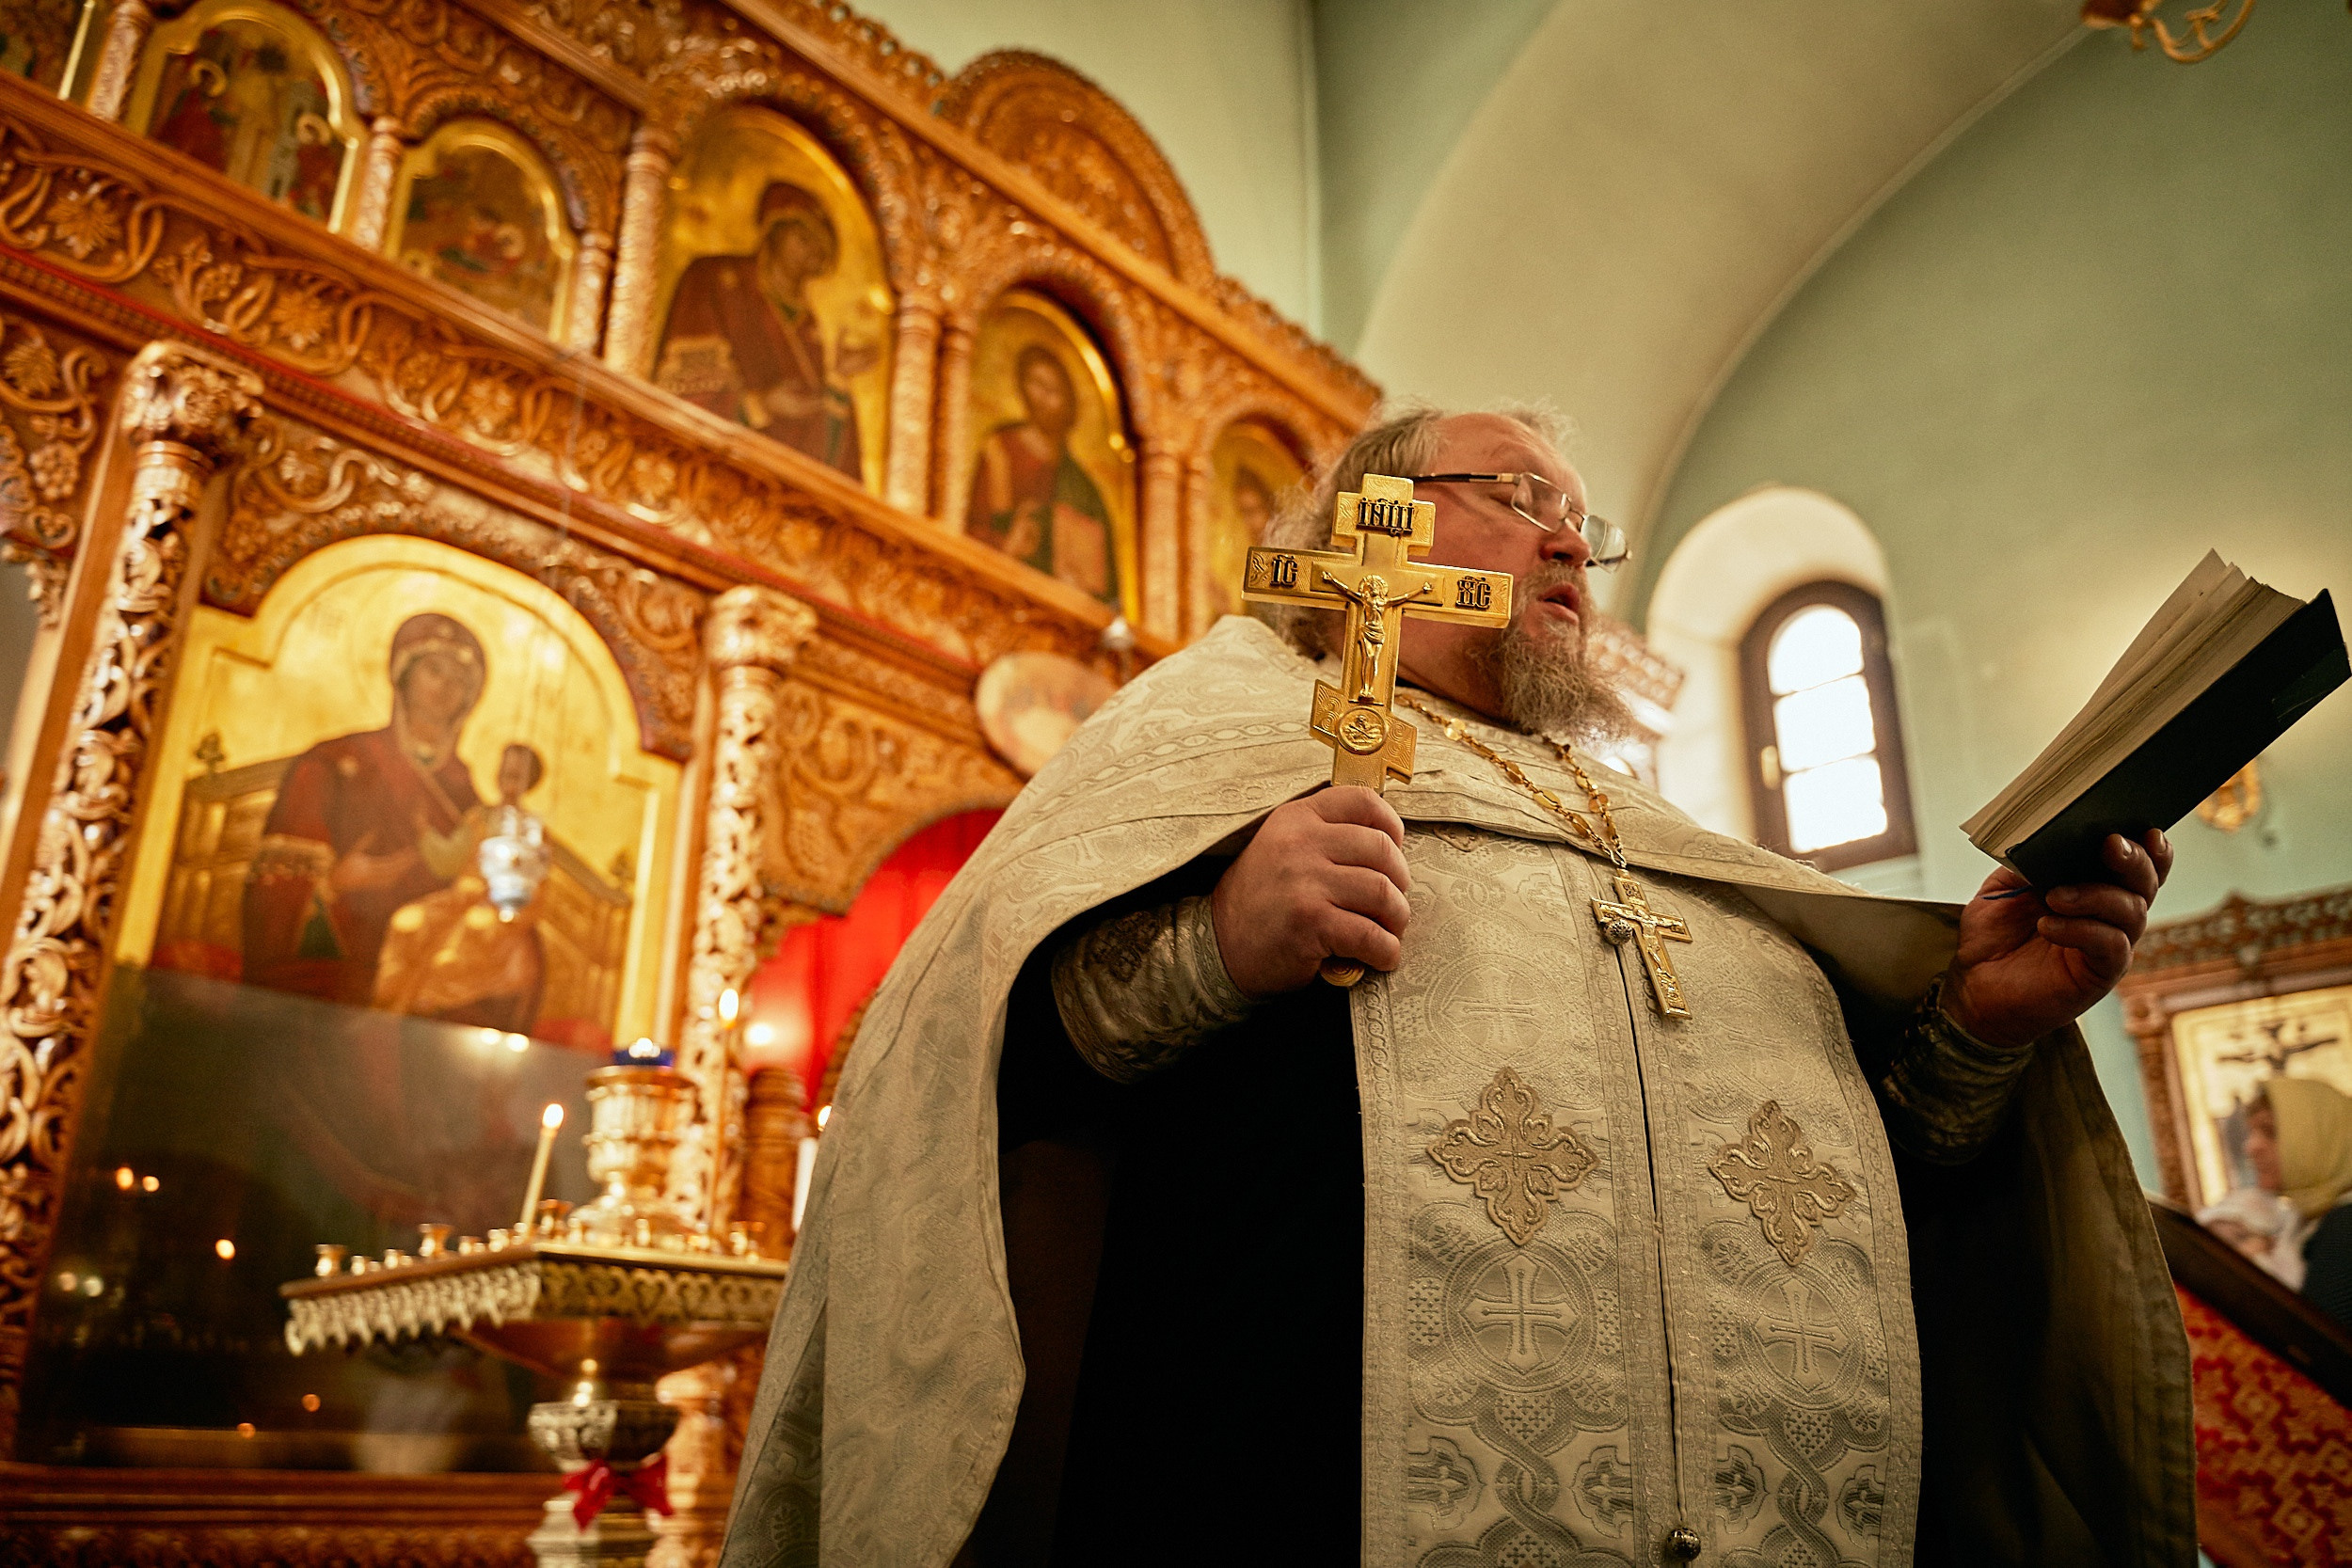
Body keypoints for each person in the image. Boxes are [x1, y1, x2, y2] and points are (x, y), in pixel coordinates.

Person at [723, 405, 2193, 1567]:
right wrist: (1218, 941)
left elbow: (1856, 1189)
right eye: (1519, 495)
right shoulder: (1208, 736)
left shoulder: (1664, 829)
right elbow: (979, 1069)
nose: (1571, 546)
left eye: (1583, 523)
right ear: (1369, 520)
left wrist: (1973, 1036)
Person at [242, 613, 489, 1010]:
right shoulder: (335, 762)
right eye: (435, 670)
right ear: (403, 675)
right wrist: (335, 884)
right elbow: (272, 894)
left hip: (425, 962)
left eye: (460, 680)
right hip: (339, 946)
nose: (446, 688)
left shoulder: (465, 795)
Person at [654, 181, 871, 480]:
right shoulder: (716, 281)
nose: (811, 257)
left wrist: (838, 381)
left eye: (820, 254)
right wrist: (761, 405)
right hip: (711, 475)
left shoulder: (809, 331)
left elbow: (827, 462)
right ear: (774, 229)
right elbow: (682, 389)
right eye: (804, 240)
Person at [372, 741, 549, 1034]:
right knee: (407, 922)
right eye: (505, 772)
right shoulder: (479, 818)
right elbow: (448, 861)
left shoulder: (533, 830)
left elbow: (534, 884)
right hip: (458, 899)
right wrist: (422, 831)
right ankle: (387, 1003)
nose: (508, 780)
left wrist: (500, 897)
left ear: (528, 782)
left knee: (460, 944)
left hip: (498, 907)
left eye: (517, 775)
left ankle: (425, 1011)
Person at [965, 344, 1119, 604]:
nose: (1044, 398)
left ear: (1068, 402)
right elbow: (972, 530)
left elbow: (1106, 586)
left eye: (1053, 390)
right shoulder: (1001, 450)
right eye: (1036, 384)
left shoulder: (1082, 487)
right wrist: (1009, 545)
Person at [2241, 1078, 2352, 1326]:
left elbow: (2321, 1347)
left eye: (2270, 1132)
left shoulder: (2345, 1228)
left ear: (2322, 1139)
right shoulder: (2308, 1220)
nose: (2251, 1147)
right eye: (2252, 1132)